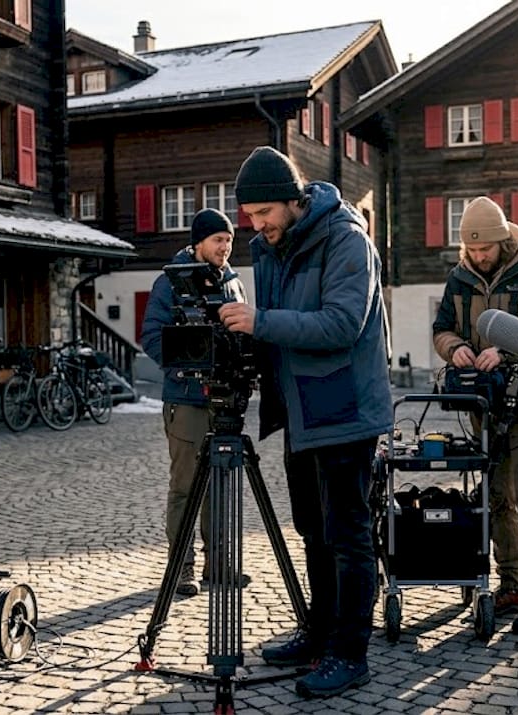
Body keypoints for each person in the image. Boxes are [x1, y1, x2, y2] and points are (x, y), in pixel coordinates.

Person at [218, 146, 391, 698]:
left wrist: (260, 320)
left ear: (294, 201)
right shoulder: (271, 247)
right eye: (250, 216)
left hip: (345, 411)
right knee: (313, 531)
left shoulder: (346, 240)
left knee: (348, 535)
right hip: (301, 413)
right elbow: (272, 335)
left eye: (265, 213)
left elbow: (341, 324)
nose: (257, 224)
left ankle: (349, 653)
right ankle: (319, 633)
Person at [431, 195, 518, 636]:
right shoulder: (459, 277)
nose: (478, 257)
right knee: (496, 501)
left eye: (485, 250)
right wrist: (457, 349)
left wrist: (505, 347)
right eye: (471, 250)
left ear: (502, 241)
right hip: (486, 407)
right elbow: (442, 329)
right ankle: (510, 584)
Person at [139, 208, 249, 598]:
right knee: (186, 488)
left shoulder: (234, 284)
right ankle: (181, 568)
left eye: (229, 240)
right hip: (186, 401)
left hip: (226, 400)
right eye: (218, 240)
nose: (225, 247)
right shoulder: (170, 282)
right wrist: (187, 363)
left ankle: (218, 565)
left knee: (221, 486)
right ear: (199, 242)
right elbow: (151, 336)